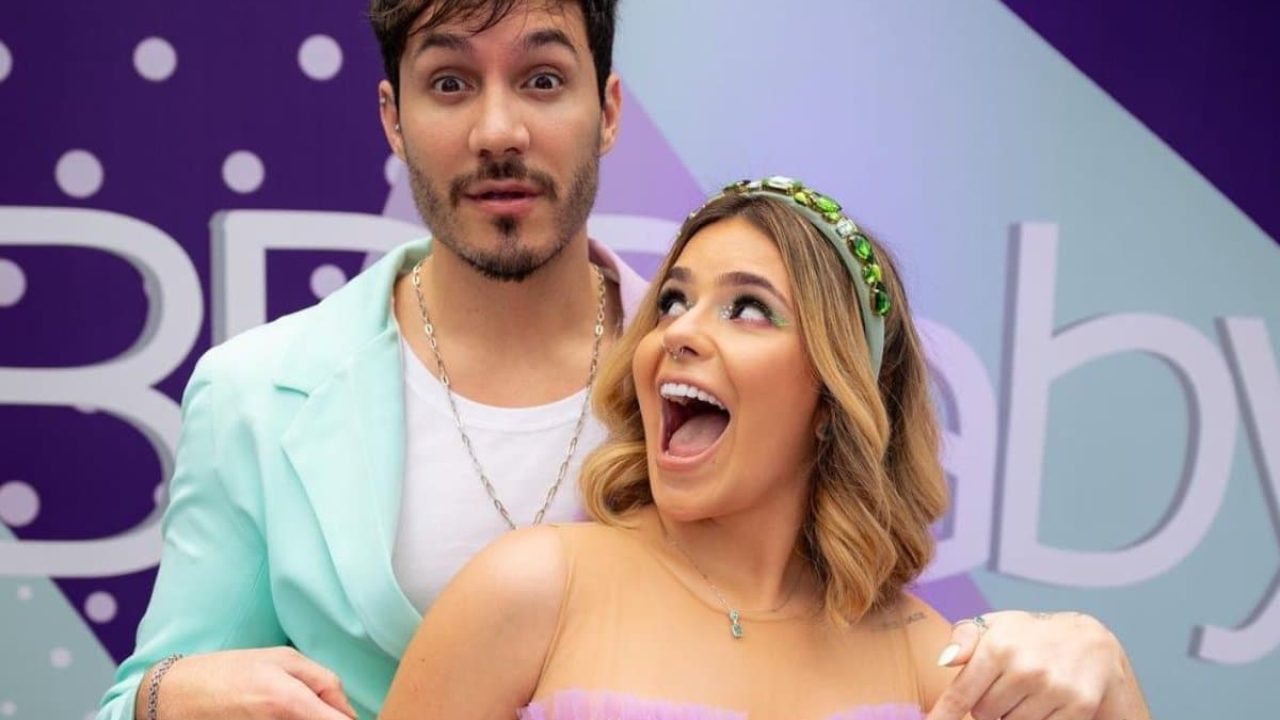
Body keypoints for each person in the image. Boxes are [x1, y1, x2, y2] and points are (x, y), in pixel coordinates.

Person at [96, 3, 1148, 720]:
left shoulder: (700, 378)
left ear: (605, 111)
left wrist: (1096, 664)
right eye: (449, 82)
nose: (498, 129)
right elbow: (134, 696)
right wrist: (160, 699)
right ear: (394, 118)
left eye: (542, 78)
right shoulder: (255, 392)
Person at [380, 177, 1152, 720]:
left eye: (748, 310)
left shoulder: (932, 664)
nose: (679, 331)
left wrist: (1115, 686)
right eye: (673, 301)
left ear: (832, 398)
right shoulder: (531, 590)